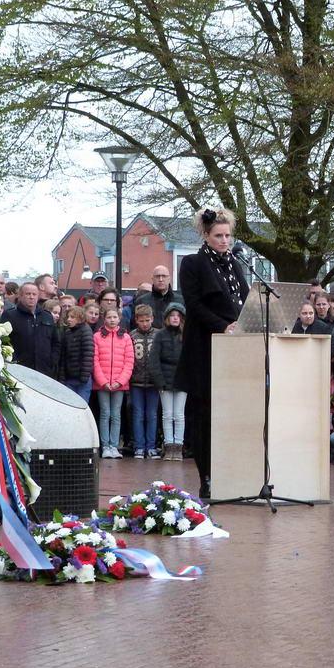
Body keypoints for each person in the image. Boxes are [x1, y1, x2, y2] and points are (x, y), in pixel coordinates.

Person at [175, 207, 249, 499]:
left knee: (231, 415)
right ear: (206, 235)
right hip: (204, 349)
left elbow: (245, 300)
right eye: (219, 235)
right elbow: (194, 304)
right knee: (203, 416)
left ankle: (233, 473)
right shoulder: (193, 263)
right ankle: (206, 476)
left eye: (228, 235)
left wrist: (250, 321)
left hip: (234, 351)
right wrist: (223, 326)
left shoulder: (235, 265)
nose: (224, 240)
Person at [93, 307, 134, 459]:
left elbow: (129, 362)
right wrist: (103, 381)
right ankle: (105, 446)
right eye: (109, 317)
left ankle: (114, 446)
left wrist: (120, 381)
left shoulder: (126, 337)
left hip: (119, 384)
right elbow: (95, 361)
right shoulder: (97, 337)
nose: (112, 320)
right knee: (105, 414)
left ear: (119, 318)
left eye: (114, 317)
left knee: (116, 415)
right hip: (102, 384)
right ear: (104, 319)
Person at [149, 302, 187, 461]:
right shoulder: (160, 335)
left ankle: (178, 446)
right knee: (167, 414)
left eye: (178, 316)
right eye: (172, 315)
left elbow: (191, 360)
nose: (175, 318)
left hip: (182, 380)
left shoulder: (186, 335)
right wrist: (159, 381)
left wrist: (188, 379)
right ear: (166, 318)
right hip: (164, 380)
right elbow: (154, 360)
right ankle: (169, 445)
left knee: (179, 415)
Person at [1, 282, 60, 377]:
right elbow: (3, 341)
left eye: (34, 294)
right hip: (20, 370)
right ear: (20, 296)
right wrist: (13, 361)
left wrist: (52, 361)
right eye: (28, 294)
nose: (31, 297)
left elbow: (55, 342)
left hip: (44, 371)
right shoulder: (10, 315)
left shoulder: (47, 316)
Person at [129, 304, 161, 460]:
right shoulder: (132, 336)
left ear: (152, 319)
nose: (144, 324)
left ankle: (151, 446)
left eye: (147, 320)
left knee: (152, 415)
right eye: (141, 321)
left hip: (154, 382)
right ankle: (139, 446)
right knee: (138, 414)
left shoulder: (158, 335)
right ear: (136, 320)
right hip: (136, 381)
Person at [59, 305, 94, 402]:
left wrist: (84, 378)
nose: (69, 319)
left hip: (82, 379)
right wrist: (62, 377)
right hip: (69, 378)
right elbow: (63, 357)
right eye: (68, 317)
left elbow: (88, 355)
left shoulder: (86, 330)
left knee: (81, 404)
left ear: (80, 319)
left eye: (72, 317)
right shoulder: (67, 332)